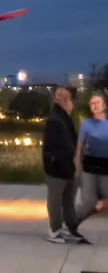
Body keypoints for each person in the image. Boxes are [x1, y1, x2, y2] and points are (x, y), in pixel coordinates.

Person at [42, 86, 83, 244]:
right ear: (66, 101)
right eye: (71, 101)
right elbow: (63, 146)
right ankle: (54, 230)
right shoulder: (57, 119)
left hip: (65, 167)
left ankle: (66, 227)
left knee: (67, 200)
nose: (72, 105)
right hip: (57, 168)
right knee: (56, 199)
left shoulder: (63, 118)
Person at [72, 90, 108, 235]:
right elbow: (79, 147)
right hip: (90, 168)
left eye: (97, 102)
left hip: (106, 168)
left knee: (99, 202)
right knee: (88, 202)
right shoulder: (85, 124)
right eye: (92, 103)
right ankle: (69, 226)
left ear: (104, 105)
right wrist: (77, 169)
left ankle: (99, 204)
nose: (94, 106)